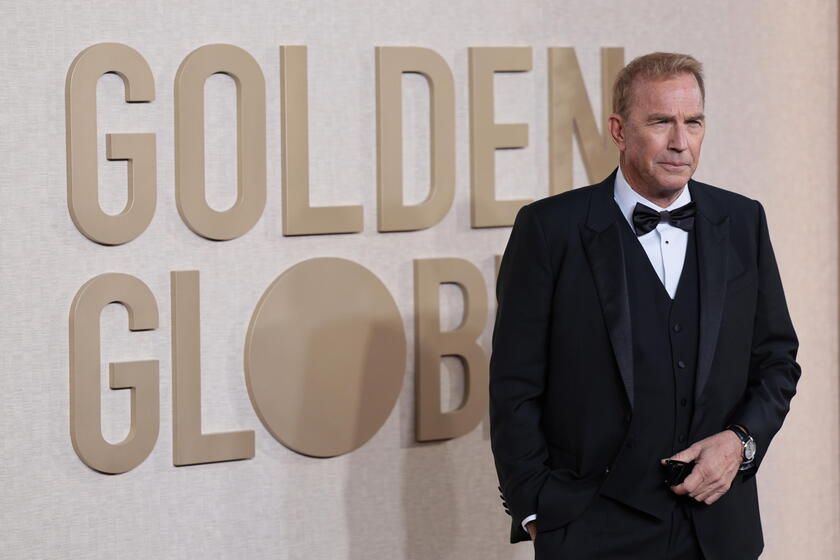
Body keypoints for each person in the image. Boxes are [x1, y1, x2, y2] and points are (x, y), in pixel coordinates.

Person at [489, 52, 800, 559]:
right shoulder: (550, 230)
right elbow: (514, 387)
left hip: (720, 529)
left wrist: (741, 442)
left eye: (693, 122)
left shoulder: (743, 221)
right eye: (661, 122)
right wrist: (536, 512)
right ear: (619, 129)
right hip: (592, 528)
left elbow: (777, 361)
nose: (681, 142)